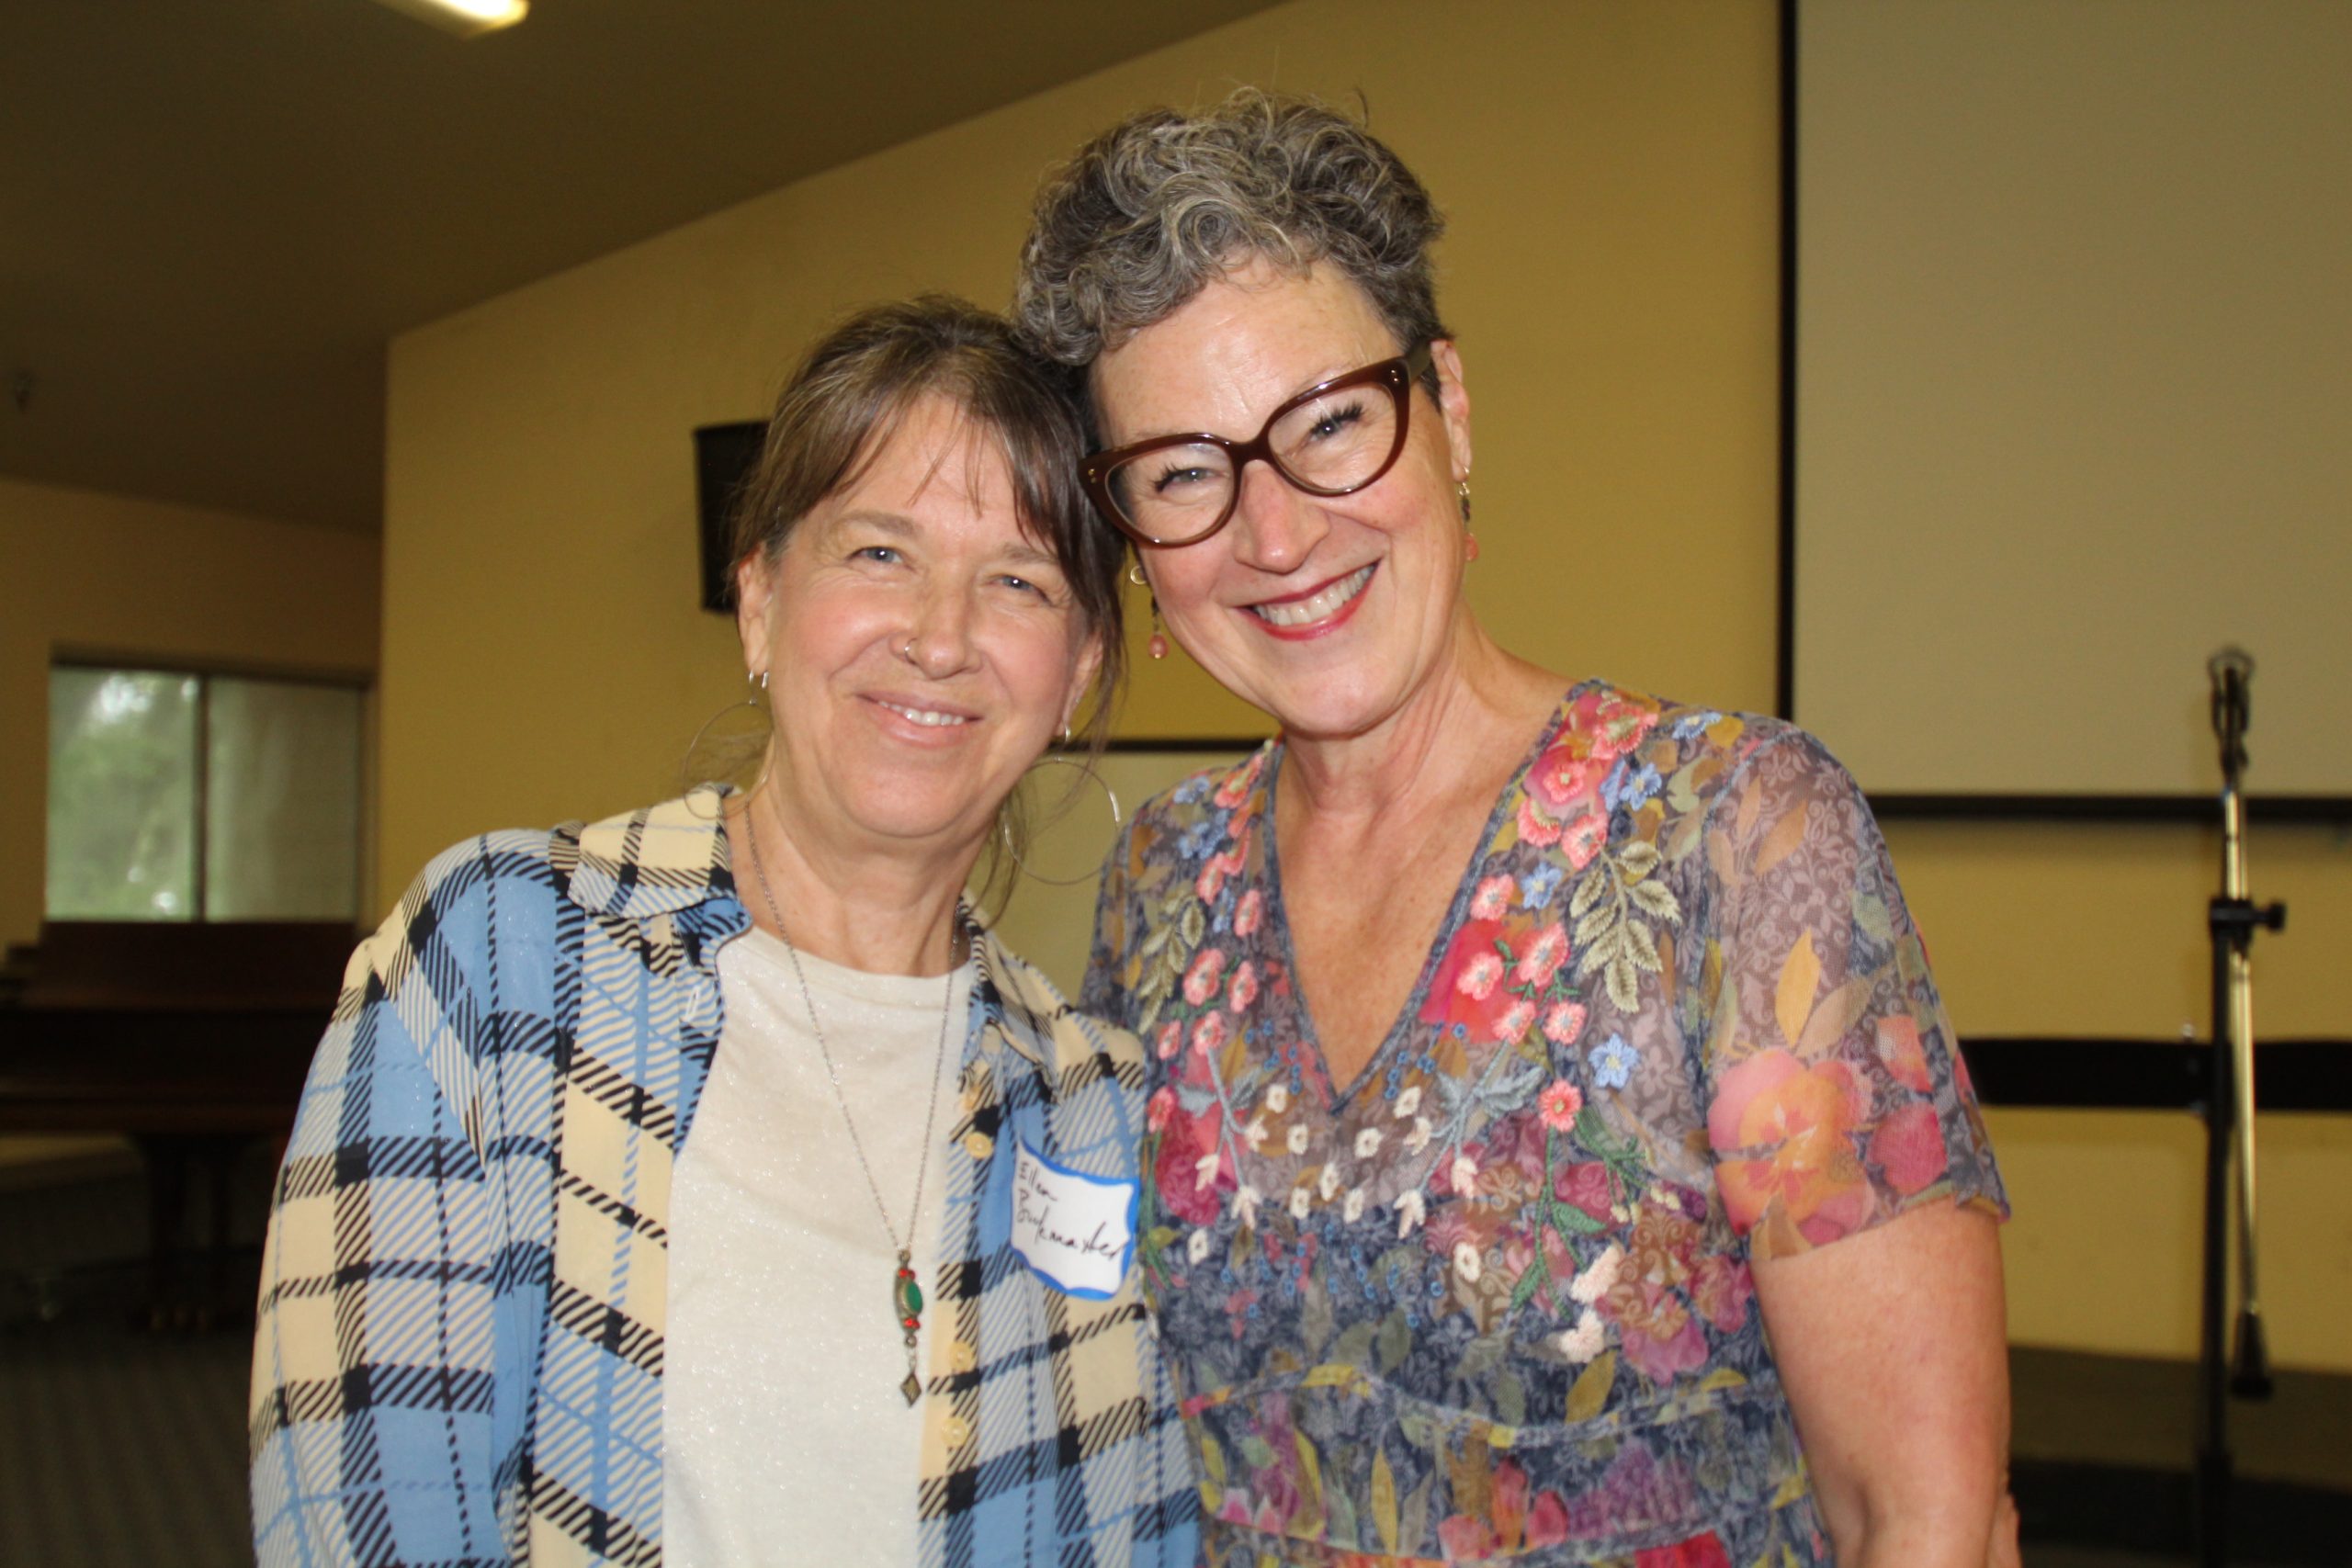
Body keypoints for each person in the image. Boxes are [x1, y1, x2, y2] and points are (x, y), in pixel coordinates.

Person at [1018, 92, 2015, 1566]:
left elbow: (1920, 1514)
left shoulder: (1732, 840)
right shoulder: (1162, 883)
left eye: (1332, 424)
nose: (1276, 533)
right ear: (1134, 541)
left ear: (1450, 412)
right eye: (1182, 472)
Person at [247, 297, 1197, 1567]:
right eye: (878, 553)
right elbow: (362, 1518)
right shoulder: (499, 964)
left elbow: (1137, 1532)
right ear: (759, 602)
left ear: (1078, 671)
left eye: (1018, 582)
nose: (938, 636)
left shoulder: (1091, 1101)